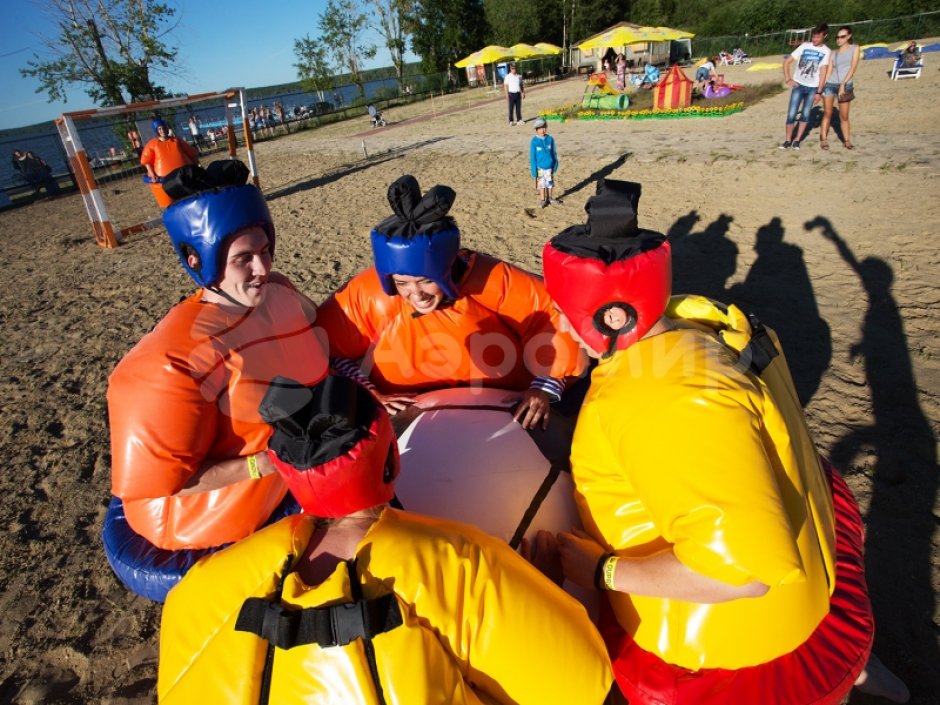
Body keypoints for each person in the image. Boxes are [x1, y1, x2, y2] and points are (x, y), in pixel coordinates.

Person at [538, 179, 910, 705]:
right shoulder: (699, 324)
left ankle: (847, 676)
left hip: (741, 643)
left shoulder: (661, 397)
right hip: (812, 561)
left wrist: (602, 571)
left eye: (563, 308)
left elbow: (740, 573)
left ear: (611, 316)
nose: (557, 321)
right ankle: (863, 670)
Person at [158, 373, 613, 703]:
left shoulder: (201, 585)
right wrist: (542, 596)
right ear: (391, 460)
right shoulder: (464, 567)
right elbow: (583, 684)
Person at [104, 161, 330, 599]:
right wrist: (264, 463)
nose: (262, 268)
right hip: (192, 524)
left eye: (265, 250)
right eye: (243, 258)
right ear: (197, 260)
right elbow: (169, 484)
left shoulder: (278, 292)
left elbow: (318, 331)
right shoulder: (169, 363)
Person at [315, 175, 587, 431]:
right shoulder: (370, 295)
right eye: (402, 283)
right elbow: (324, 350)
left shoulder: (490, 282)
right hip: (408, 415)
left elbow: (553, 317)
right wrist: (368, 392)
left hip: (507, 406)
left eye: (425, 280)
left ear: (445, 269)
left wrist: (543, 387)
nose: (415, 293)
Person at [780, 23, 832, 150]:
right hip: (798, 85)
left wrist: (819, 92)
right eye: (813, 37)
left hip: (813, 88)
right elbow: (787, 62)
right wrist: (788, 78)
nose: (814, 40)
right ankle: (788, 140)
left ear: (825, 36)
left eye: (817, 37)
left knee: (805, 115)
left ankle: (797, 140)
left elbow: (823, 73)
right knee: (791, 114)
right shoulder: (804, 46)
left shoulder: (826, 51)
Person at [139, 118, 199, 207]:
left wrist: (197, 166)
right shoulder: (152, 145)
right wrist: (152, 175)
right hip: (163, 180)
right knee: (170, 204)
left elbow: (192, 153)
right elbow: (146, 161)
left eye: (164, 127)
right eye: (159, 129)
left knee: (192, 198)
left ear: (167, 128)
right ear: (156, 131)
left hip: (184, 176)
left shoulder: (176, 141)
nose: (162, 130)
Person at [820, 26, 861, 151]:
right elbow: (829, 71)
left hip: (846, 84)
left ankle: (847, 140)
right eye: (837, 37)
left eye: (842, 36)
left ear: (849, 36)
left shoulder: (855, 48)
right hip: (831, 84)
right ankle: (824, 139)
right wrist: (821, 87)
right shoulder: (834, 53)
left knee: (844, 116)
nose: (839, 39)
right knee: (828, 113)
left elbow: (853, 68)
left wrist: (843, 84)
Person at [530, 118, 560, 209]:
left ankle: (550, 198)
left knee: (550, 183)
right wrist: (534, 170)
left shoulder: (550, 139)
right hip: (540, 168)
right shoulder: (534, 141)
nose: (542, 130)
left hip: (549, 167)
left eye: (544, 127)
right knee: (542, 184)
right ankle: (543, 199)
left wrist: (555, 163)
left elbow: (553, 152)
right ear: (536, 130)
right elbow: (532, 157)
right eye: (539, 128)